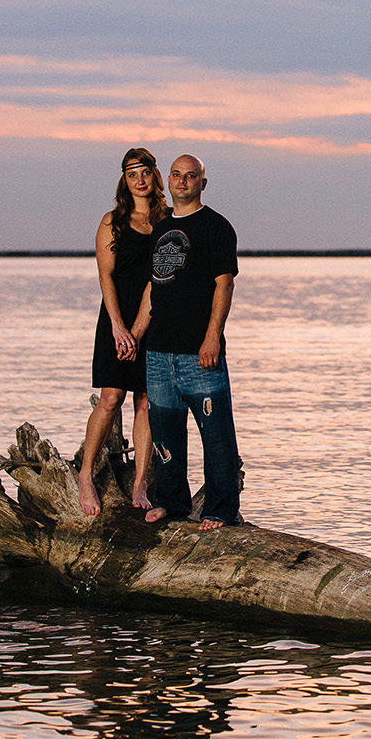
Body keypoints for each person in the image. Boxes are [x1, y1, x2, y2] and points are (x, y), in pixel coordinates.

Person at [134, 153, 243, 530]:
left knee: (216, 437)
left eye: (190, 176)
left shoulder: (216, 227)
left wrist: (213, 336)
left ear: (202, 183)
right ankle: (172, 502)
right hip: (159, 352)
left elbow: (224, 283)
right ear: (170, 180)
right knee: (166, 435)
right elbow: (153, 286)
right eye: (177, 175)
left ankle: (220, 509)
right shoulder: (161, 227)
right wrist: (135, 335)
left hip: (200, 353)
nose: (182, 182)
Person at [77, 147, 169, 517]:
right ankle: (85, 475)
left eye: (145, 172)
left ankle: (140, 482)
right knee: (111, 397)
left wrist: (138, 329)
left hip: (154, 316)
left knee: (146, 400)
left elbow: (159, 278)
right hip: (115, 314)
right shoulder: (112, 220)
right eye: (132, 174)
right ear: (124, 180)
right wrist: (118, 327)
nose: (140, 180)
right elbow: (105, 275)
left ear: (154, 175)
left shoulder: (167, 221)